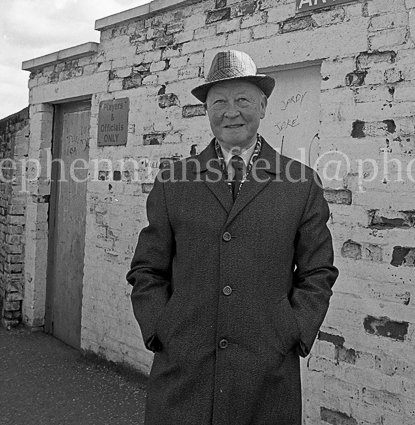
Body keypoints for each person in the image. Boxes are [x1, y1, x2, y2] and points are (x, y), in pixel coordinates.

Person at [127, 49, 338, 425]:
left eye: (243, 100)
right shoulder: (173, 182)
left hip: (266, 371)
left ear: (263, 107)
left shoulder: (301, 183)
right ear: (206, 111)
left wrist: (291, 331)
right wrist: (162, 327)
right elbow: (147, 270)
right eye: (219, 102)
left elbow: (317, 273)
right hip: (184, 370)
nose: (231, 111)